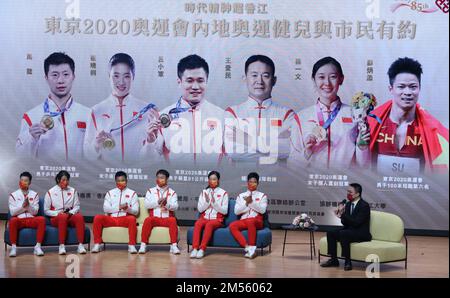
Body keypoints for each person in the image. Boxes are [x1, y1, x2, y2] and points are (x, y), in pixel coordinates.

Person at [369, 57, 449, 174]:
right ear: (391, 89)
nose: (407, 92)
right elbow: (360, 165)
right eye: (401, 86)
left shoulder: (431, 130)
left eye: (413, 87)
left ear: (419, 88)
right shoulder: (372, 123)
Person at [288, 57, 370, 169]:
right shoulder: (301, 117)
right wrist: (307, 152)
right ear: (314, 80)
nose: (327, 83)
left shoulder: (355, 114)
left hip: (343, 183)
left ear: (341, 79)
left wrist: (363, 147)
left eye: (333, 77)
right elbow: (291, 165)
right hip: (311, 183)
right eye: (321, 77)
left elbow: (363, 165)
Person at [140, 54, 225, 164]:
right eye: (189, 81)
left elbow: (231, 159)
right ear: (179, 82)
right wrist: (150, 142)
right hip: (175, 180)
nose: (195, 87)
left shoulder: (221, 115)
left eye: (200, 80)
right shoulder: (163, 117)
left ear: (206, 81)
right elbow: (147, 162)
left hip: (211, 180)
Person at [84, 53, 159, 162]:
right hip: (108, 177)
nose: (121, 82)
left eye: (126, 76)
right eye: (116, 75)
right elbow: (87, 156)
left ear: (133, 77)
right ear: (109, 76)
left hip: (137, 175)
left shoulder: (148, 111)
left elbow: (153, 158)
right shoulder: (96, 111)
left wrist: (150, 142)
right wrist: (96, 144)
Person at [16, 52, 90, 161]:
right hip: (44, 177)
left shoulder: (88, 114)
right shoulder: (31, 116)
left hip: (80, 176)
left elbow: (96, 156)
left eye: (66, 74)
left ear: (73, 77)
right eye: (54, 75)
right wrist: (31, 137)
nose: (60, 80)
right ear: (46, 78)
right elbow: (20, 157)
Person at [224, 55, 296, 165]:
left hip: (278, 179)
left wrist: (246, 139)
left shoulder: (287, 114)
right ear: (245, 78)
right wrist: (272, 154)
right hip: (239, 179)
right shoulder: (232, 112)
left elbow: (288, 149)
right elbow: (234, 152)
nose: (259, 81)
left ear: (274, 80)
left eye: (265, 76)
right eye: (254, 75)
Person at [320, 183, 371, 271]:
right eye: (347, 191)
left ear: (357, 194)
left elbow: (356, 223)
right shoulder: (347, 204)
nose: (348, 194)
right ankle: (334, 260)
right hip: (350, 230)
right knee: (331, 232)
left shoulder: (364, 206)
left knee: (344, 233)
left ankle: (347, 261)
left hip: (361, 233)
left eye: (350, 192)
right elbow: (345, 223)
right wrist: (340, 215)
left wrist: (343, 214)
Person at [91, 171, 139, 254]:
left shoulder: (132, 193)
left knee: (132, 219)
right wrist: (119, 208)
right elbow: (106, 209)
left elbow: (136, 211)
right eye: (118, 181)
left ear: (126, 181)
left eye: (123, 180)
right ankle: (97, 244)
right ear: (115, 181)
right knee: (98, 217)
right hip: (111, 219)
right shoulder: (110, 193)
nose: (121, 182)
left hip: (124, 219)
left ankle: (131, 245)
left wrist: (127, 208)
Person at [44, 170, 86, 255]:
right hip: (56, 218)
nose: (66, 182)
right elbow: (46, 210)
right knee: (62, 217)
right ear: (58, 180)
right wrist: (58, 213)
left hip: (69, 215)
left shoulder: (73, 191)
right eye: (63, 180)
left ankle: (80, 245)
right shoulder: (50, 192)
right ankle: (62, 245)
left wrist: (70, 213)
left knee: (79, 217)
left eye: (67, 180)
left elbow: (77, 206)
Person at [139, 169, 180, 255]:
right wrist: (157, 202)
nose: (159, 180)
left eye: (162, 178)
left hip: (167, 218)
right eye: (158, 178)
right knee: (147, 220)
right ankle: (143, 245)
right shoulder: (150, 191)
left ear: (167, 179)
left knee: (173, 220)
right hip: (154, 218)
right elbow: (147, 205)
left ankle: (174, 245)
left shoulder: (172, 193)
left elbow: (175, 207)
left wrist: (166, 204)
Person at [190, 171, 229, 259]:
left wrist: (214, 203)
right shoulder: (204, 192)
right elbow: (200, 209)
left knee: (209, 224)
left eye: (214, 179)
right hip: (205, 217)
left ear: (218, 180)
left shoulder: (223, 193)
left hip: (217, 220)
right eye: (210, 179)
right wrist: (207, 202)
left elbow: (224, 211)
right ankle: (195, 248)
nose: (212, 181)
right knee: (198, 223)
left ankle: (202, 249)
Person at [229, 172, 268, 259]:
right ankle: (248, 248)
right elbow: (236, 211)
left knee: (251, 221)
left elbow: (262, 210)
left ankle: (252, 246)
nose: (252, 184)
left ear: (258, 183)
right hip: (244, 220)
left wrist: (252, 203)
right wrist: (246, 203)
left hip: (257, 221)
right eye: (250, 181)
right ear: (247, 183)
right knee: (232, 226)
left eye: (254, 182)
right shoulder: (241, 196)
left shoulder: (262, 196)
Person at [8, 172, 46, 257]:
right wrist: (23, 207)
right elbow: (13, 212)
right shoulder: (13, 195)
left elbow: (35, 212)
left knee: (41, 219)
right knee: (13, 220)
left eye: (26, 180)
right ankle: (14, 248)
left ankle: (38, 246)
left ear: (29, 182)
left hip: (31, 219)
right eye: (21, 180)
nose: (23, 182)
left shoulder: (34, 194)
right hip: (19, 220)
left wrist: (29, 206)